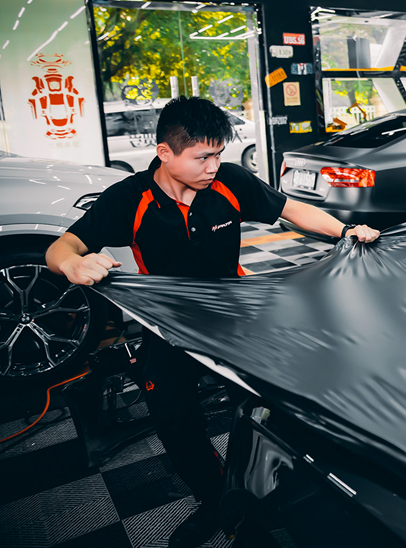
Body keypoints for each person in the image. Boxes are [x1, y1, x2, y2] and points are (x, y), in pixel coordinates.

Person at [45, 96, 380, 547]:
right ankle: (214, 500)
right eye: (202, 157)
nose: (213, 166)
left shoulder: (229, 181)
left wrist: (344, 230)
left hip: (235, 316)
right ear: (165, 153)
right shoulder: (129, 197)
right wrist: (73, 264)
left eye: (219, 154)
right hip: (169, 326)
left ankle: (278, 488)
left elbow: (291, 210)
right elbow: (60, 248)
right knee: (174, 418)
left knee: (271, 404)